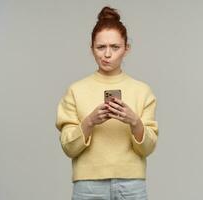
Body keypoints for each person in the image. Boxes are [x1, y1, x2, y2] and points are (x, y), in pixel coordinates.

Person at [55, 6, 158, 200]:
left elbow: (148, 148)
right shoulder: (76, 90)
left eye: (115, 47)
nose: (107, 54)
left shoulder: (142, 91)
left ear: (127, 48)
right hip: (88, 186)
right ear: (91, 48)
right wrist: (90, 121)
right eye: (101, 47)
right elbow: (68, 147)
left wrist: (134, 121)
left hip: (132, 184)